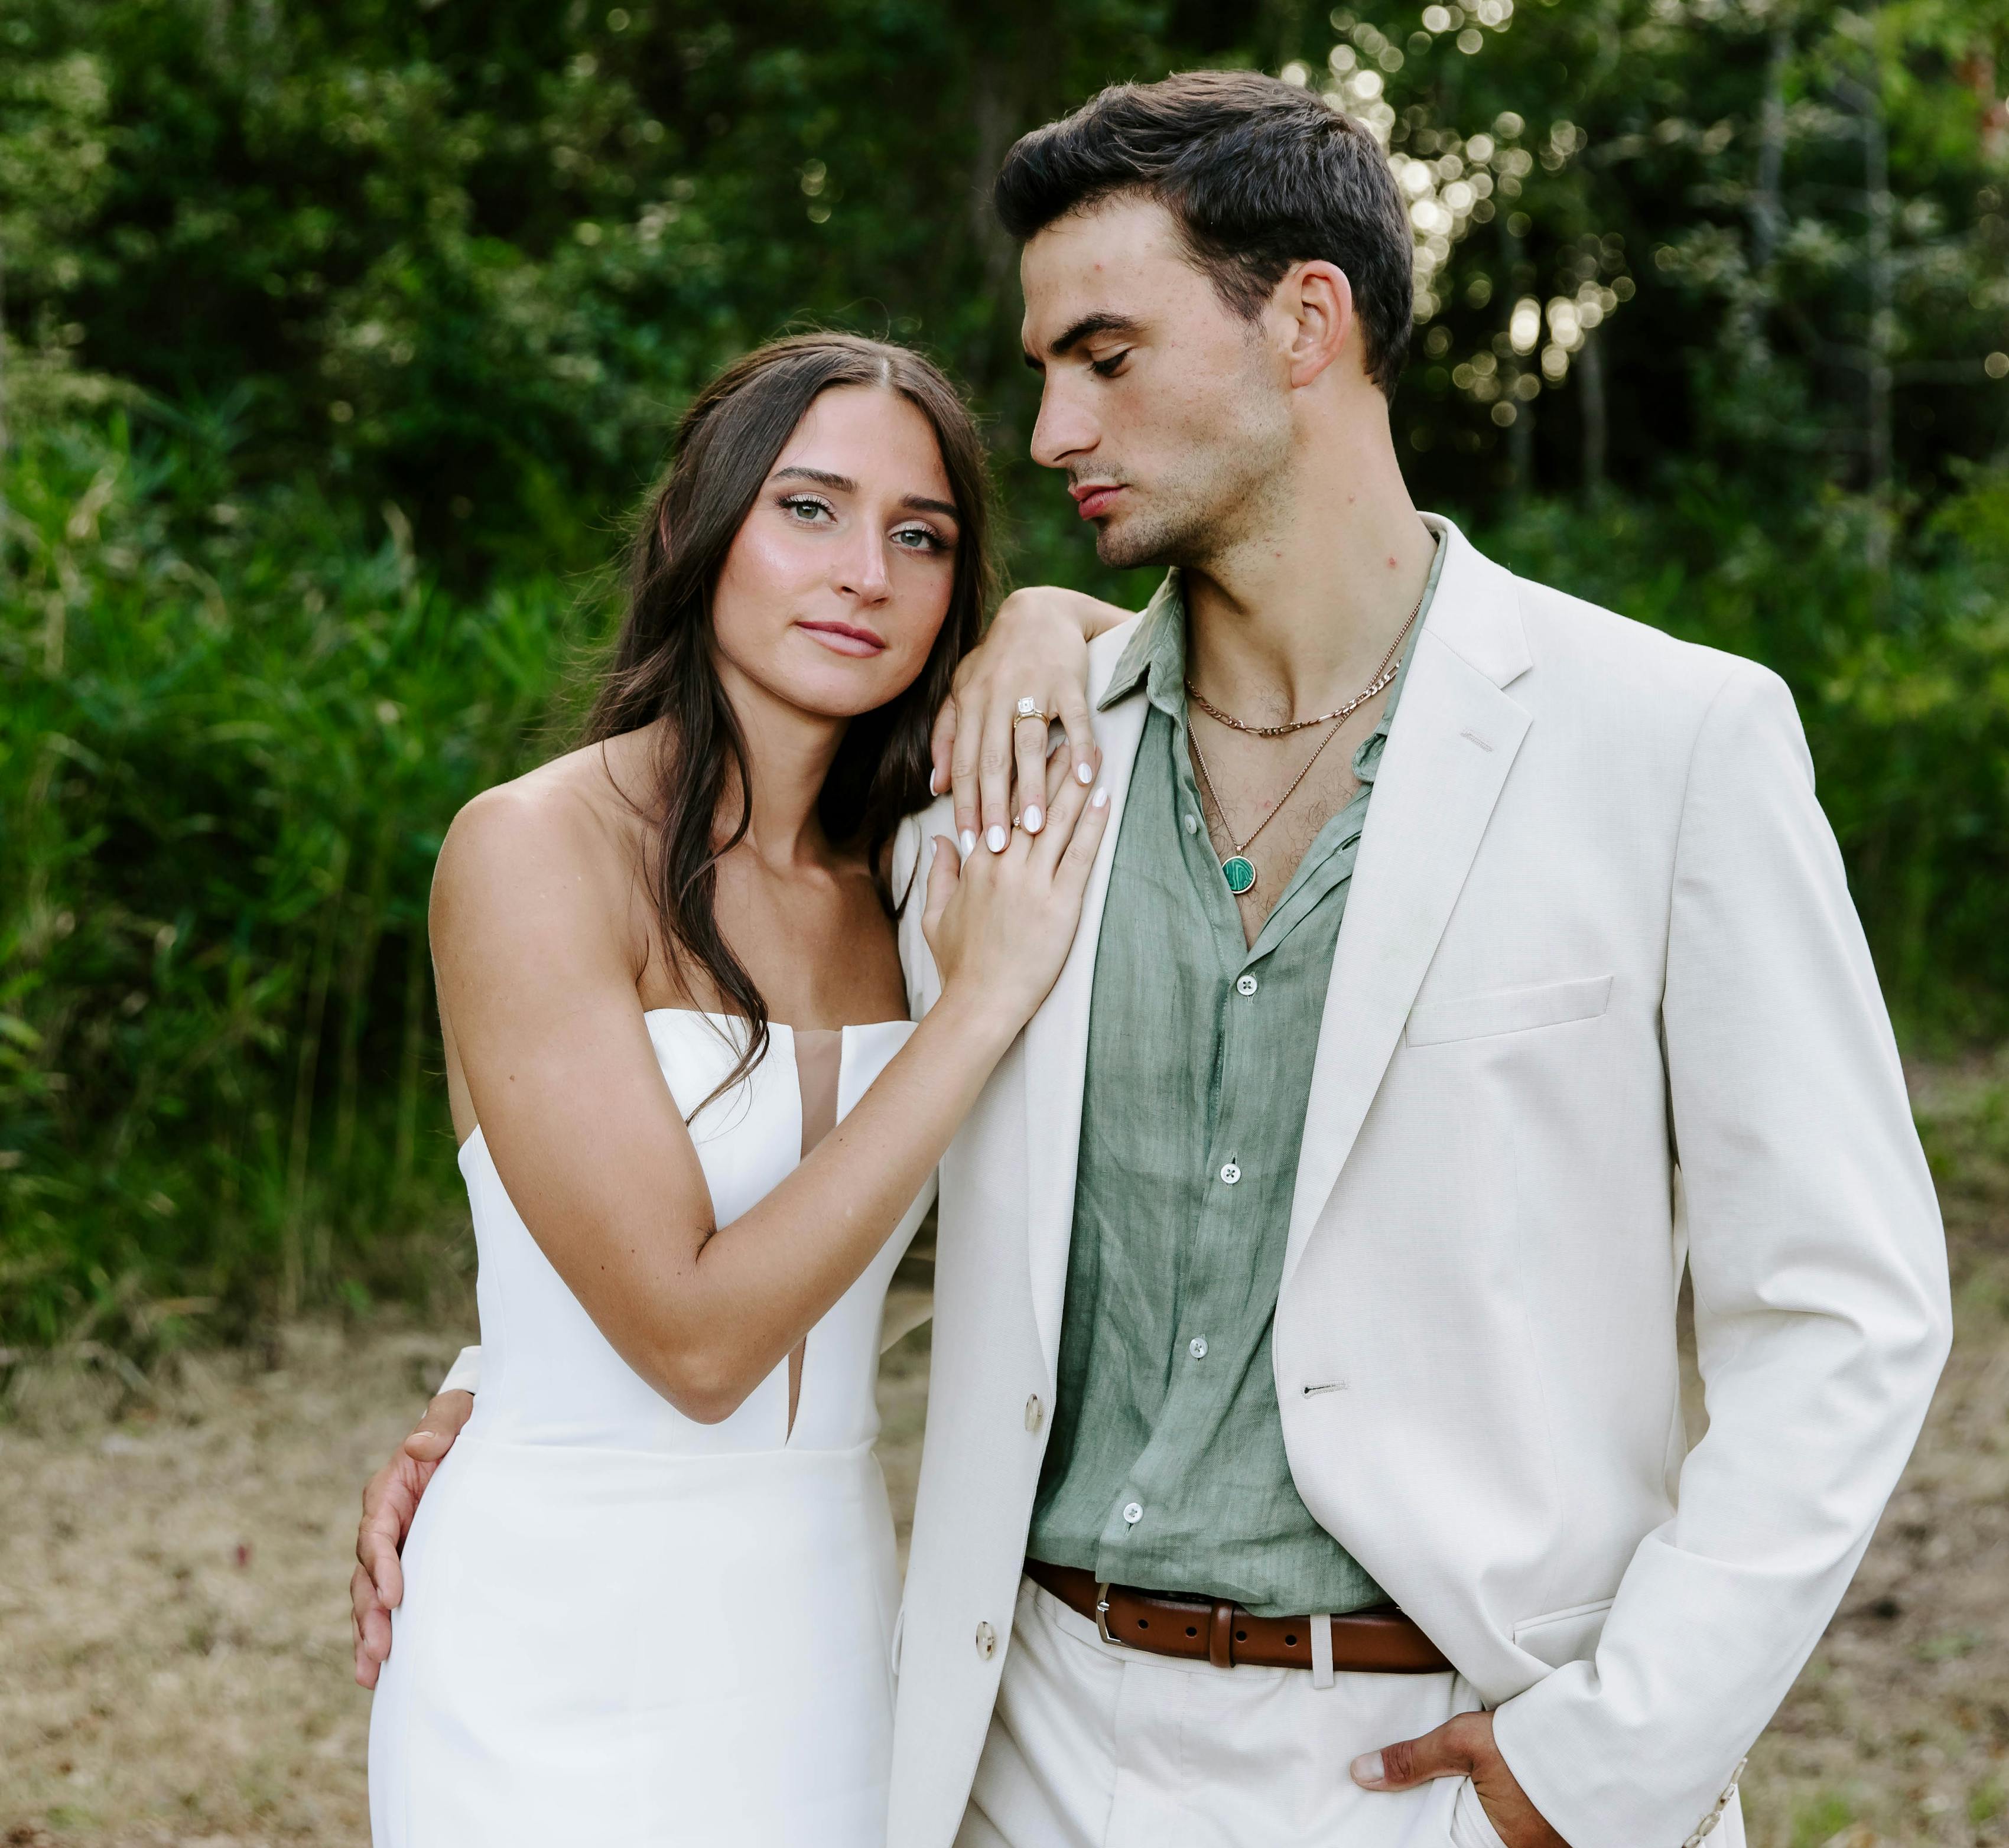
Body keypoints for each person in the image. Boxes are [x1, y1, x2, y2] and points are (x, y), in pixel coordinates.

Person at [358, 73, 1951, 1848]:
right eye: (1042, 369)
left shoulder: (1667, 743)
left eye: (1104, 358)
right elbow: (730, 1116)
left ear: (1309, 324)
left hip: (1443, 1759)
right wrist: (499, 1383)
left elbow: (1847, 1312)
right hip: (1022, 1743)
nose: (1049, 431)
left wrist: (1616, 1756)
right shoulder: (1005, 784)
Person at [359, 330, 1110, 1846]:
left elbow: (1230, 657)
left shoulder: (916, 869)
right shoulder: (535, 848)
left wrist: (1043, 621)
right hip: (549, 1636)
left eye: (924, 538)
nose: (865, 573)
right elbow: (694, 1342)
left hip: (827, 1622)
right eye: (808, 508)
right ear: (694, 529)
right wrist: (976, 1010)